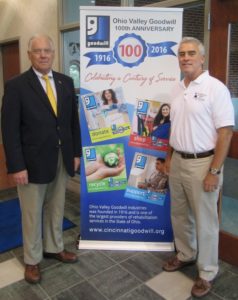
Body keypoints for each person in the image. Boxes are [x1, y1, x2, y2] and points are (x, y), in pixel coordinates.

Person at [1, 34, 81, 284]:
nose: (44, 55)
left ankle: (54, 247)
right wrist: (16, 166)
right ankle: (32, 260)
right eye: (38, 51)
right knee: (32, 213)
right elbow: (9, 130)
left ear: (54, 53)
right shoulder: (16, 86)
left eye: (47, 50)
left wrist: (76, 153)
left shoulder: (66, 82)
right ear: (29, 55)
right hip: (31, 162)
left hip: (62, 157)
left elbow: (71, 123)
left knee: (57, 208)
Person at [163, 37, 234, 298]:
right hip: (178, 161)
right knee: (179, 214)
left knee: (205, 221)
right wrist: (170, 157)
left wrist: (214, 171)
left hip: (203, 163)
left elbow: (225, 133)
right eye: (181, 54)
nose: (185, 57)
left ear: (202, 58)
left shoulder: (216, 88)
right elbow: (174, 127)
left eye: (191, 53)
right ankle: (186, 253)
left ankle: (206, 272)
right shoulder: (176, 88)